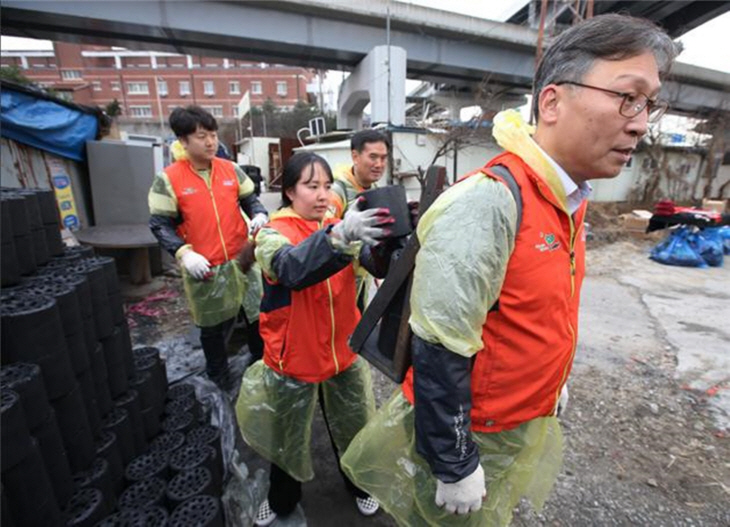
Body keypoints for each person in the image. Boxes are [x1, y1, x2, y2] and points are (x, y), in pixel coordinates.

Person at [341, 14, 679, 526]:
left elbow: (533, 310)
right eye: (627, 97)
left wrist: (551, 378)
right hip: (476, 428)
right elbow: (439, 343)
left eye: (649, 104)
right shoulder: (491, 201)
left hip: (517, 415)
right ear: (552, 101)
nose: (640, 121)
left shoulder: (567, 198)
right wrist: (453, 460)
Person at [235, 152, 396, 526]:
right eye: (311, 186)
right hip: (295, 355)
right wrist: (337, 237)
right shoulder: (272, 234)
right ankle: (281, 500)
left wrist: (390, 238)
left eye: (326, 185)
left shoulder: (339, 225)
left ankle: (360, 487)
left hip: (343, 350)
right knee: (287, 435)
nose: (322, 194)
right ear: (290, 191)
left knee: (355, 424)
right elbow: (291, 268)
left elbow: (371, 264)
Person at [148, 105, 268, 388]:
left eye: (213, 134)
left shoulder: (230, 170)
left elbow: (250, 199)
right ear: (183, 141)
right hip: (206, 265)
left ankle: (261, 365)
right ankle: (219, 377)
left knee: (256, 315)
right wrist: (184, 253)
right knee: (212, 327)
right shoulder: (169, 179)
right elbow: (159, 224)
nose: (211, 142)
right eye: (202, 136)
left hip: (242, 259)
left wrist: (259, 213)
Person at [329, 130, 391, 310]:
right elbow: (325, 235)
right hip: (336, 282)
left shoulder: (374, 190)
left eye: (383, 158)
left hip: (361, 279)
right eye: (373, 157)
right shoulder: (337, 190)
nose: (379, 164)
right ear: (355, 157)